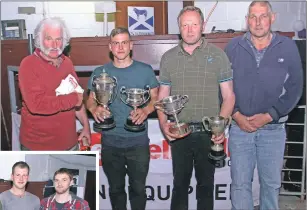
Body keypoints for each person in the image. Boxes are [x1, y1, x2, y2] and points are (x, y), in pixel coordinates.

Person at [224, 1, 304, 210]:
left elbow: (295, 88)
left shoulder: (287, 47)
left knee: (271, 185)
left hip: (273, 129)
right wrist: (236, 115)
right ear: (246, 20)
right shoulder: (233, 47)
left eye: (263, 16)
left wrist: (270, 115)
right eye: (253, 17)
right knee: (240, 185)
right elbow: (222, 86)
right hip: (240, 128)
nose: (258, 22)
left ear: (273, 17)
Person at [157, 6, 235, 210]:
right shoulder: (168, 58)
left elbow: (229, 97)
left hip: (208, 134)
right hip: (179, 133)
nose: (190, 30)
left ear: (203, 27)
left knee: (206, 188)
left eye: (194, 24)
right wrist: (164, 125)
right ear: (179, 28)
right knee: (179, 186)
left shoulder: (218, 56)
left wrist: (221, 126)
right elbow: (162, 97)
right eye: (185, 25)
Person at [86, 27, 159, 210]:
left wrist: (145, 110)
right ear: (110, 47)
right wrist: (95, 108)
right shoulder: (100, 72)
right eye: (116, 43)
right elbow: (89, 100)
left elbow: (156, 98)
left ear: (131, 45)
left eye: (124, 42)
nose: (120, 47)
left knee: (138, 189)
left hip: (137, 141)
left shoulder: (145, 70)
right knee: (116, 189)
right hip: (110, 141)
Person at [18, 17, 90, 151]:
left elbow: (78, 99)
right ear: (39, 40)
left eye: (58, 39)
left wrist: (86, 126)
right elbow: (36, 105)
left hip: (70, 142)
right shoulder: (28, 64)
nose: (54, 45)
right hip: (38, 147)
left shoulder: (67, 62)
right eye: (49, 39)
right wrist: (73, 99)